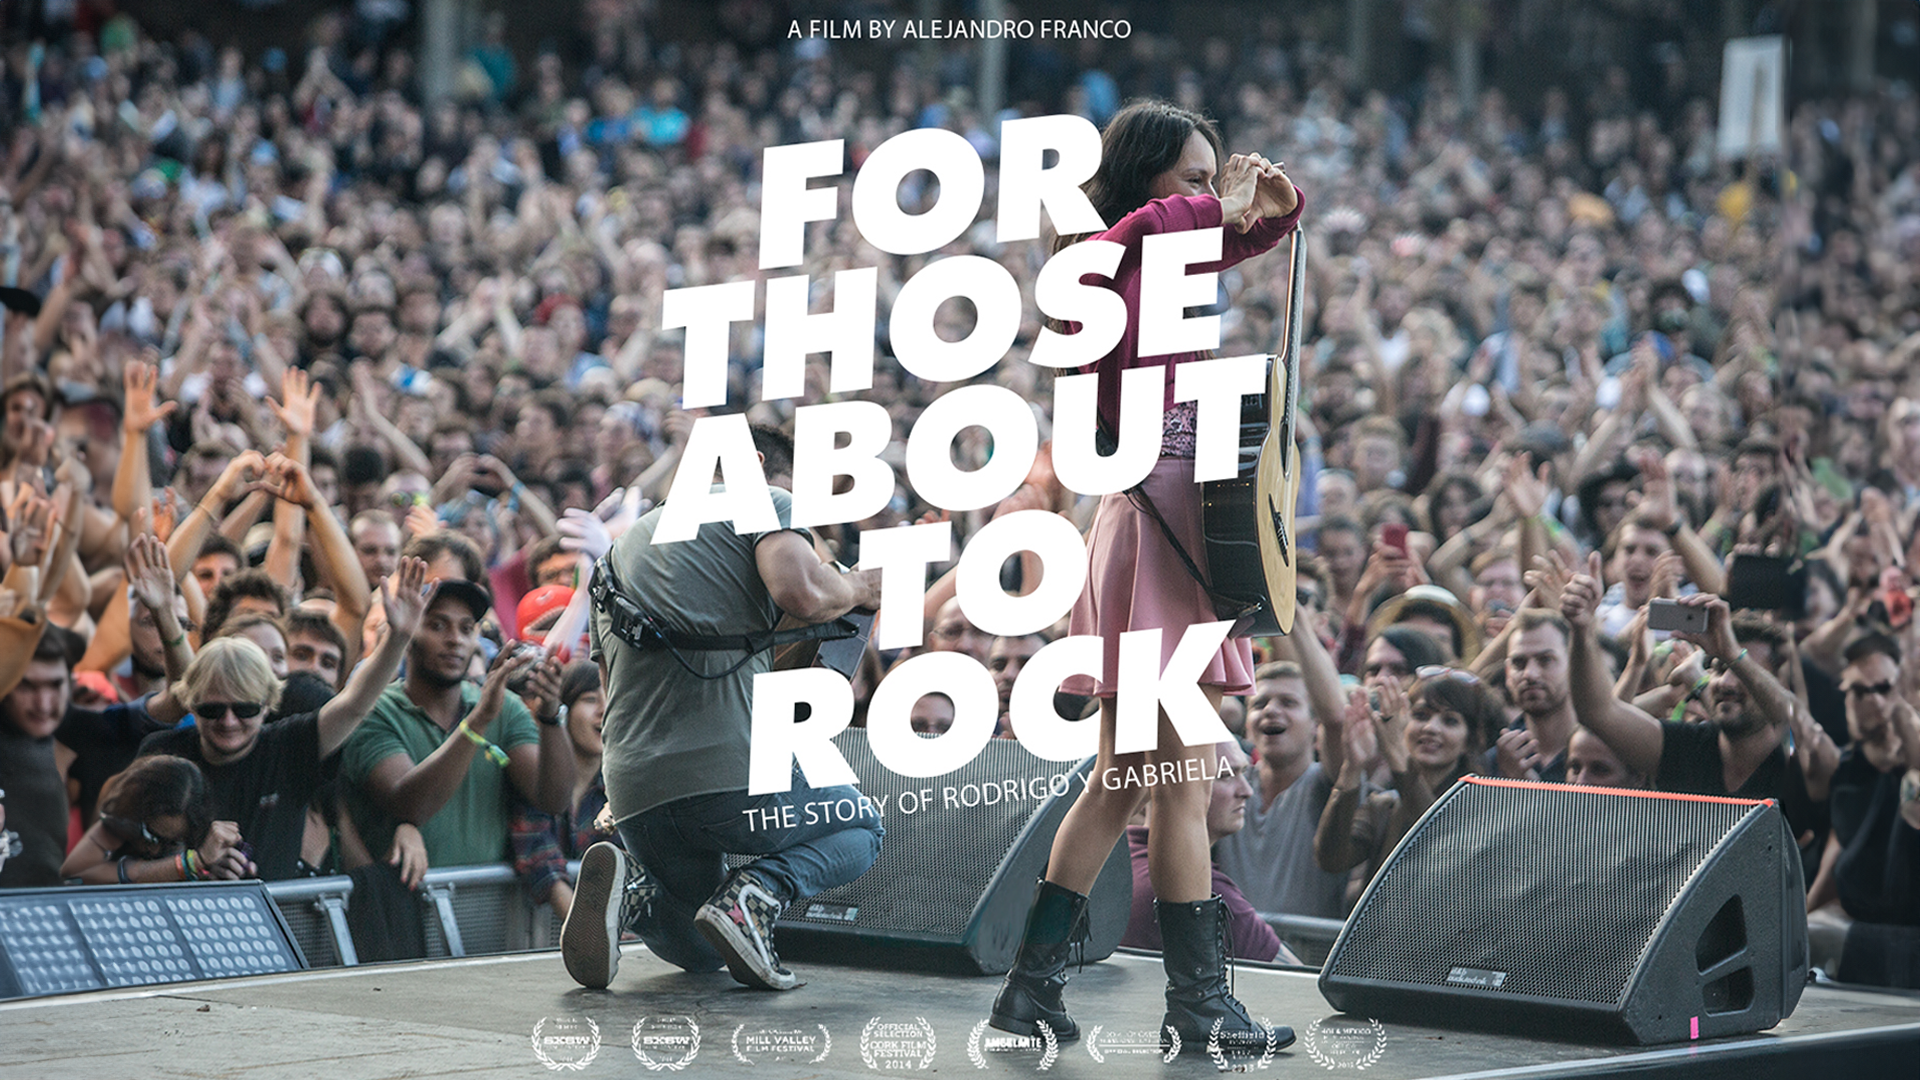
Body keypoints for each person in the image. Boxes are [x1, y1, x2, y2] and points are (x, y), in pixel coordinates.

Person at [990, 99, 1302, 1055]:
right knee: (1180, 783)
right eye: (1192, 179)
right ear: (1145, 184)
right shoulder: (1117, 250)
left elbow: (1235, 236)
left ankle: (1028, 991)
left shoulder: (1141, 255)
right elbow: (1165, 229)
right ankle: (1200, 1005)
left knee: (1125, 778)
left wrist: (1274, 211)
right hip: (1165, 526)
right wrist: (1224, 206)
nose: (1209, 197)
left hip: (1150, 526)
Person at [563, 424, 884, 992]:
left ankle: (633, 895)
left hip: (635, 791)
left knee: (701, 950)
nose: (797, 531)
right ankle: (756, 893)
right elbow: (801, 593)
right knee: (861, 824)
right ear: (754, 466)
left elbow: (619, 691)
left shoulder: (615, 556)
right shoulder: (762, 500)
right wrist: (856, 589)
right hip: (724, 777)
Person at [134, 557, 432, 881]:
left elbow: (353, 705)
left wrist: (397, 640)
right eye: (212, 710)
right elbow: (117, 866)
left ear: (267, 704)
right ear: (191, 705)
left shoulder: (289, 747)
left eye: (245, 709)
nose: (229, 721)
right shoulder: (163, 753)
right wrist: (193, 864)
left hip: (273, 927)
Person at [1314, 667, 1503, 890]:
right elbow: (1331, 860)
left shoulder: (1486, 809)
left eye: (1450, 721)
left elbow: (1438, 844)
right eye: (1421, 715)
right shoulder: (1383, 806)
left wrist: (1397, 755)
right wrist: (1352, 768)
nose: (1431, 728)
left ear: (1470, 740)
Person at [1122, 740, 1299, 964]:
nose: (1246, 791)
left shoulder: (1115, 858)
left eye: (1243, 773)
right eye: (1225, 775)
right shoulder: (1206, 892)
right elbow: (1302, 988)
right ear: (1171, 785)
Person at [510, 661, 616, 920]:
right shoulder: (536, 775)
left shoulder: (617, 789)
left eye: (611, 696)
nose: (604, 710)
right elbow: (540, 857)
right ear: (562, 710)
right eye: (591, 699)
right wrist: (588, 931)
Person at [59, 755, 252, 884]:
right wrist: (193, 862)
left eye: (171, 843)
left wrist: (222, 872)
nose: (154, 849)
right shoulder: (123, 806)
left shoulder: (204, 835)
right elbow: (76, 873)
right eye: (149, 835)